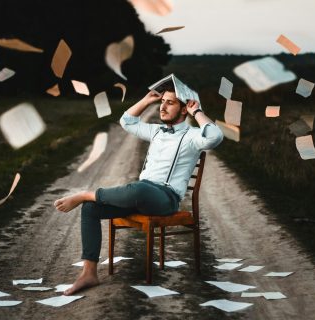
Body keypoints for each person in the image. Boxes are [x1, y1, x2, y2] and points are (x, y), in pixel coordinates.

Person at [54, 84, 223, 295]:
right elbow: (126, 121)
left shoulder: (193, 135)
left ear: (183, 109)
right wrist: (146, 101)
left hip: (165, 199)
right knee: (91, 209)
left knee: (137, 190)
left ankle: (85, 194)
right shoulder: (156, 131)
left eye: (169, 103)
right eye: (162, 102)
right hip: (141, 195)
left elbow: (215, 137)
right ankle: (89, 274)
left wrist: (196, 111)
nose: (163, 107)